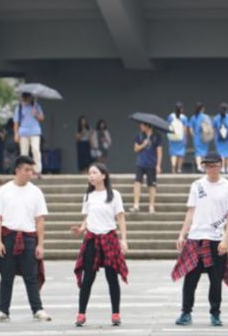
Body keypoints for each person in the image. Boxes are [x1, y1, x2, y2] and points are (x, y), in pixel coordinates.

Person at [172, 152, 228, 327]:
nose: (209, 169)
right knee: (190, 279)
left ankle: (215, 314)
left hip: (216, 239)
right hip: (195, 238)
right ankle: (186, 312)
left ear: (220, 164)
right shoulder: (197, 185)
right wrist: (182, 234)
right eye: (206, 165)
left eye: (213, 165)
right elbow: (191, 211)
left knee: (215, 280)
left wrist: (226, 239)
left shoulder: (227, 187)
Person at [0, 155, 51, 323]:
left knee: (31, 276)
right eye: (26, 170)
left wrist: (40, 244)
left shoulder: (36, 192)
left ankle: (37, 309)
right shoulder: (4, 190)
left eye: (31, 170)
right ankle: (3, 310)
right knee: (6, 276)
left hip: (28, 237)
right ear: (17, 170)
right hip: (8, 236)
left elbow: (40, 220)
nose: (30, 173)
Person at [71, 163, 129, 327]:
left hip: (109, 239)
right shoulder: (88, 196)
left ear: (104, 175)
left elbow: (121, 218)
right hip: (92, 239)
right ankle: (81, 314)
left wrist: (123, 240)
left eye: (94, 173)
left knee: (112, 277)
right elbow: (87, 217)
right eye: (89, 173)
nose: (91, 176)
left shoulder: (114, 195)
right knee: (87, 277)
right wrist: (81, 228)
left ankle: (115, 313)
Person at [131, 122, 162, 214]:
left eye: (142, 125)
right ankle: (136, 205)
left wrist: (158, 165)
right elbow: (135, 149)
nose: (140, 126)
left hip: (151, 163)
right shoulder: (139, 135)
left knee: (152, 185)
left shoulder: (156, 136)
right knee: (137, 182)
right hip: (140, 162)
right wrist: (143, 145)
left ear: (148, 126)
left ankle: (151, 206)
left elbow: (159, 151)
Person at [16, 93, 45, 176]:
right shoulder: (19, 107)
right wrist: (16, 133)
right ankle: (24, 170)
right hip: (23, 132)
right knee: (24, 152)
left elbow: (42, 118)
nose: (25, 99)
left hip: (35, 131)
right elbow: (16, 122)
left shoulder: (36, 106)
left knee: (35, 150)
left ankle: (37, 170)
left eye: (26, 97)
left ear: (30, 97)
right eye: (23, 97)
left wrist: (36, 114)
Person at [167, 103, 189, 174]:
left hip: (172, 137)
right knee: (180, 153)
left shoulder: (170, 116)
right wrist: (185, 138)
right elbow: (185, 129)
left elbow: (168, 126)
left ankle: (173, 166)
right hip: (180, 137)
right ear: (182, 109)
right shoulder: (184, 118)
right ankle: (179, 169)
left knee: (173, 154)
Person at [190, 103, 213, 172]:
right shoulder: (205, 117)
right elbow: (210, 126)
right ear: (202, 109)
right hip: (204, 136)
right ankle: (203, 166)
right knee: (204, 152)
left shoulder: (193, 117)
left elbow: (190, 128)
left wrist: (193, 135)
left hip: (196, 137)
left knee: (197, 153)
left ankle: (198, 166)